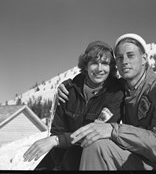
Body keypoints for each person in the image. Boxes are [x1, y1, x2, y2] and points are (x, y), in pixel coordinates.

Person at [58, 33, 156, 170]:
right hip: (135, 154)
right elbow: (94, 77)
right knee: (87, 146)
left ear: (144, 58)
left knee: (97, 147)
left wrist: (114, 130)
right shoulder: (121, 86)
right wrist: (68, 86)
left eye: (131, 55)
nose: (125, 61)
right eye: (120, 57)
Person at [23, 41, 124, 170]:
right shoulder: (68, 90)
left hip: (92, 153)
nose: (99, 69)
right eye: (94, 63)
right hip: (64, 150)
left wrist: (57, 140)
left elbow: (95, 134)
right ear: (86, 66)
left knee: (72, 156)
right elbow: (57, 131)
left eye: (105, 63)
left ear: (111, 67)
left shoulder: (115, 93)